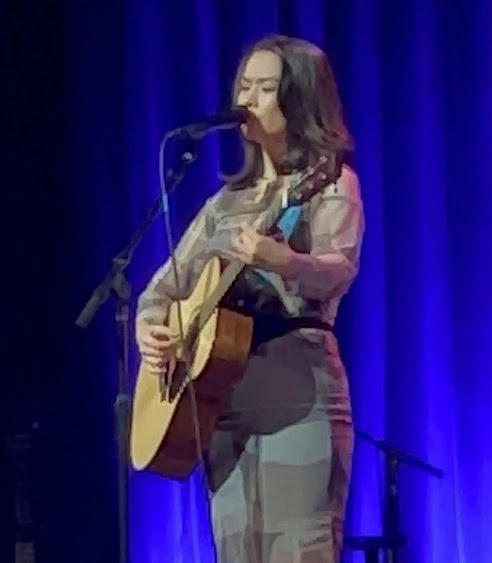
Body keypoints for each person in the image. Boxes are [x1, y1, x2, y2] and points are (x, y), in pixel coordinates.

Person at [134, 34, 363, 563]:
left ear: (299, 99)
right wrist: (151, 330)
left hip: (298, 397)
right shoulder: (224, 203)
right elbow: (161, 289)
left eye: (265, 88)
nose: (248, 100)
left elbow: (338, 271)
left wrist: (284, 260)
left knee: (300, 549)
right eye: (244, 86)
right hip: (222, 405)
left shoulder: (329, 182)